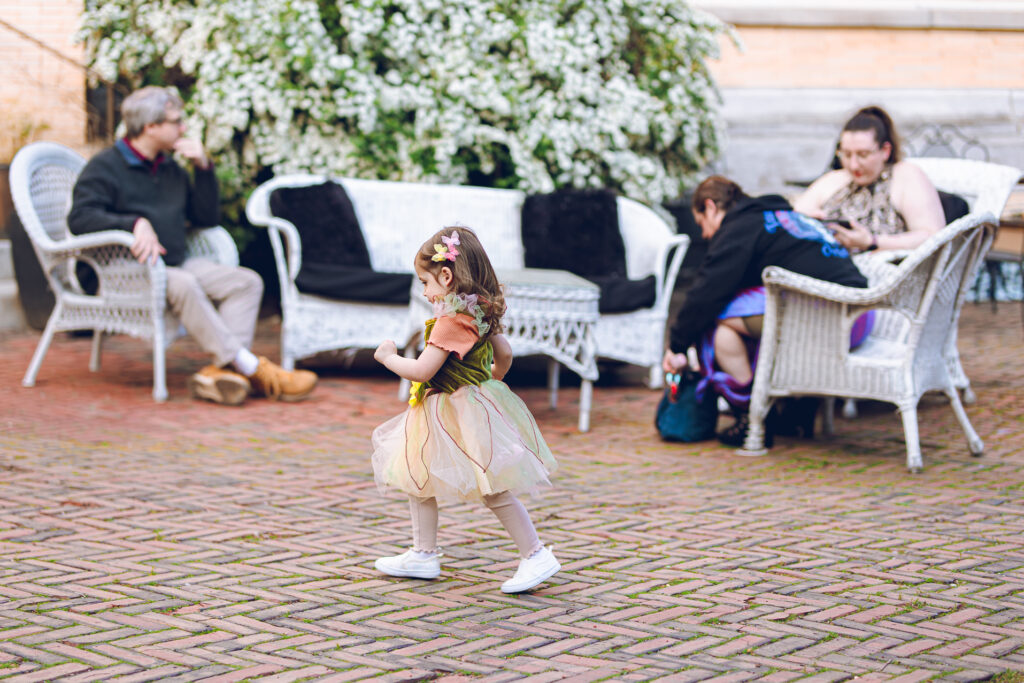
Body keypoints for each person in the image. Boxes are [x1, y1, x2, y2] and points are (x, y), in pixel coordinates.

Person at [67, 86, 317, 405]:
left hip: (173, 262)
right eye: (176, 121)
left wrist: (203, 168)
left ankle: (224, 373)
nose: (183, 128)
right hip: (119, 271)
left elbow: (206, 218)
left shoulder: (171, 168)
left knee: (246, 282)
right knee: (183, 282)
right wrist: (133, 223)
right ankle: (252, 368)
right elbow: (80, 218)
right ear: (151, 126)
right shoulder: (105, 166)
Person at [371, 226, 561, 593]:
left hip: (455, 411)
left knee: (491, 488)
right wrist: (492, 378)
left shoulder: (449, 322)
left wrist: (389, 358)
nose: (425, 292)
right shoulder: (478, 312)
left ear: (446, 276)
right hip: (464, 406)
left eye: (425, 282)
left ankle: (536, 554)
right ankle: (422, 554)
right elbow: (504, 353)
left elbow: (422, 370)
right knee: (419, 476)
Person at [664, 176, 872, 445]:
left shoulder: (741, 227)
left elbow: (707, 293)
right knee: (756, 311)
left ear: (711, 207)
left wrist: (678, 346)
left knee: (720, 325)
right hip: (862, 316)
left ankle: (754, 416)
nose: (705, 235)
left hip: (831, 318)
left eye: (702, 223)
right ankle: (796, 409)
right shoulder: (786, 217)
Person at [793, 105, 946, 252]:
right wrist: (806, 221)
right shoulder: (835, 179)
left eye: (863, 155)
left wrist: (872, 242)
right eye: (846, 154)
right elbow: (794, 215)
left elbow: (931, 236)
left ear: (885, 150)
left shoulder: (906, 175)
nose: (853, 165)